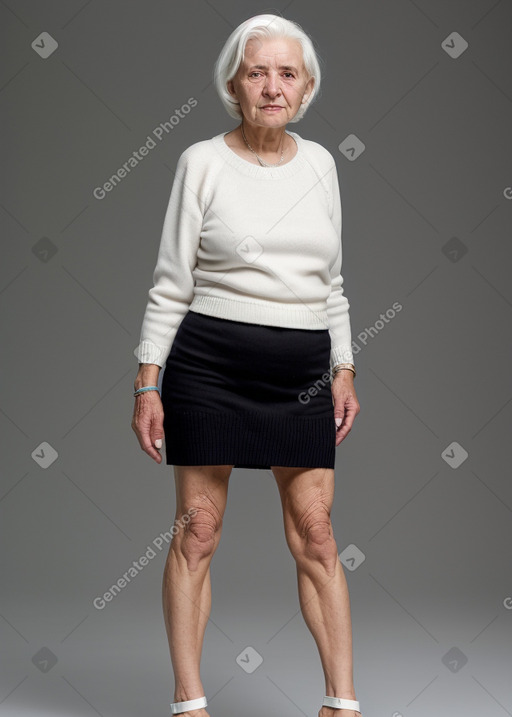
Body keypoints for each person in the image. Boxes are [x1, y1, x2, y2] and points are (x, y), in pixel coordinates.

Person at [131, 13, 362, 717]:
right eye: (257, 71)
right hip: (210, 366)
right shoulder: (202, 161)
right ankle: (189, 700)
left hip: (300, 376)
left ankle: (341, 701)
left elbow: (332, 283)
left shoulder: (322, 164)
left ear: (307, 85)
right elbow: (171, 281)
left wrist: (344, 366)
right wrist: (148, 380)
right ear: (234, 82)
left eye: (286, 73)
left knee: (318, 535)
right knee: (197, 532)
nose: (271, 86)